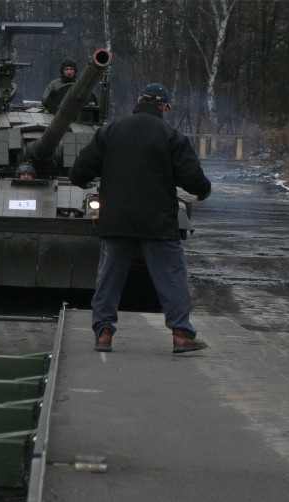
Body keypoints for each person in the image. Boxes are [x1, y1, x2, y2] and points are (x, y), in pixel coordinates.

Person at [69, 83, 212, 354]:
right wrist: (204, 191)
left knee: (109, 278)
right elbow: (194, 179)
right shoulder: (171, 136)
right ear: (164, 107)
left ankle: (104, 333)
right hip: (158, 222)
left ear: (138, 101)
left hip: (117, 220)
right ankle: (181, 334)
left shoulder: (111, 131)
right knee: (172, 276)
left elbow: (80, 172)